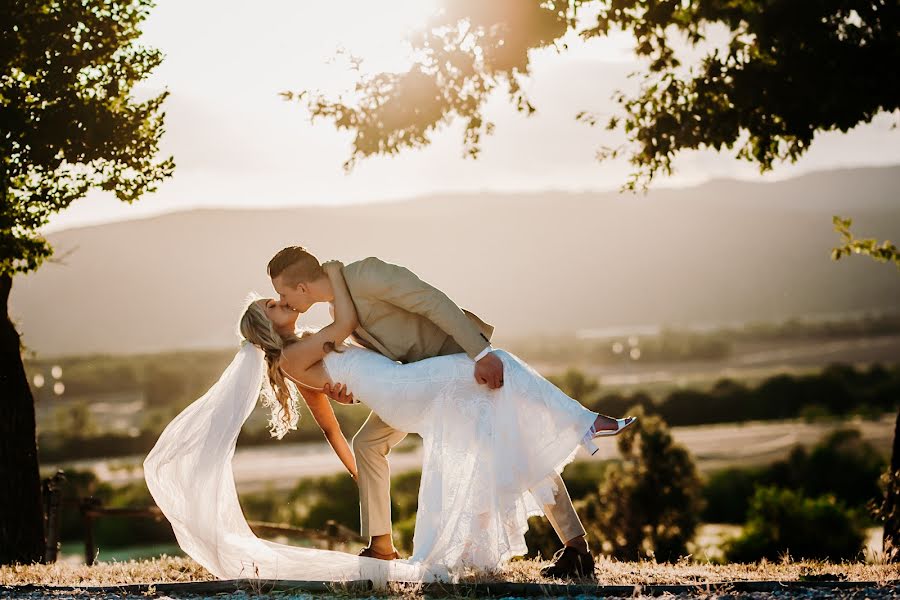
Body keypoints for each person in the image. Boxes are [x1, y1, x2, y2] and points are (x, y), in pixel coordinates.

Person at [265, 247, 633, 578]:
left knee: (511, 446)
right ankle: (381, 546)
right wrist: (348, 394)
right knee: (368, 443)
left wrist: (480, 353)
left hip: (454, 367)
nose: (282, 300)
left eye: (282, 293)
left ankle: (576, 546)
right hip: (412, 386)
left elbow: (431, 301)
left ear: (300, 288)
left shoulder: (366, 275)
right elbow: (365, 366)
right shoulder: (337, 309)